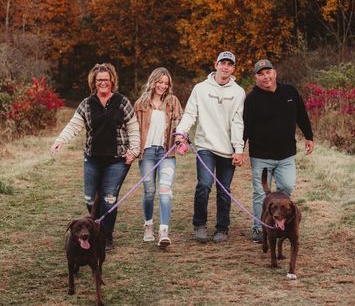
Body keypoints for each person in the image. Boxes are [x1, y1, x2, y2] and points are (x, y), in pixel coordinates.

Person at [50, 63, 140, 251]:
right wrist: (60, 140)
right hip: (93, 158)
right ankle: (97, 227)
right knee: (90, 198)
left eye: (106, 80)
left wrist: (134, 150)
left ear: (112, 81)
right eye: (99, 80)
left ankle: (106, 237)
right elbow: (74, 125)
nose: (103, 83)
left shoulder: (122, 102)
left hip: (117, 159)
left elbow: (133, 127)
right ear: (94, 82)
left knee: (108, 198)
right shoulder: (87, 104)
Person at [175, 51, 245, 243]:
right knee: (204, 185)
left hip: (228, 149)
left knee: (224, 190)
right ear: (216, 65)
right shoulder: (200, 88)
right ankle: (199, 225)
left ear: (233, 68)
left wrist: (239, 149)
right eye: (222, 63)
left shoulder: (239, 92)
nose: (225, 67)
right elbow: (190, 114)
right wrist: (181, 132)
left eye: (229, 65)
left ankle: (222, 228)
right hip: (205, 146)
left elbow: (238, 123)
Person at [243, 59, 314, 243]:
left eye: (268, 72)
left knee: (287, 188)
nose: (266, 76)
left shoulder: (290, 91)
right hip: (261, 155)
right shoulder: (251, 99)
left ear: (275, 72)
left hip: (286, 155)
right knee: (260, 193)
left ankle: (281, 222)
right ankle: (260, 228)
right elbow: (246, 126)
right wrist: (239, 148)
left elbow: (301, 114)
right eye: (261, 73)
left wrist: (309, 136)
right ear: (256, 77)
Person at [134, 67, 183, 248]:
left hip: (166, 153)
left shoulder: (173, 102)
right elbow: (133, 128)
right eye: (159, 82)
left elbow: (180, 123)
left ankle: (164, 231)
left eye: (165, 83)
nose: (162, 86)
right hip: (146, 153)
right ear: (153, 82)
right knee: (149, 191)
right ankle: (148, 225)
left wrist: (180, 138)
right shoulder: (141, 103)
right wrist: (132, 149)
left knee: (165, 190)